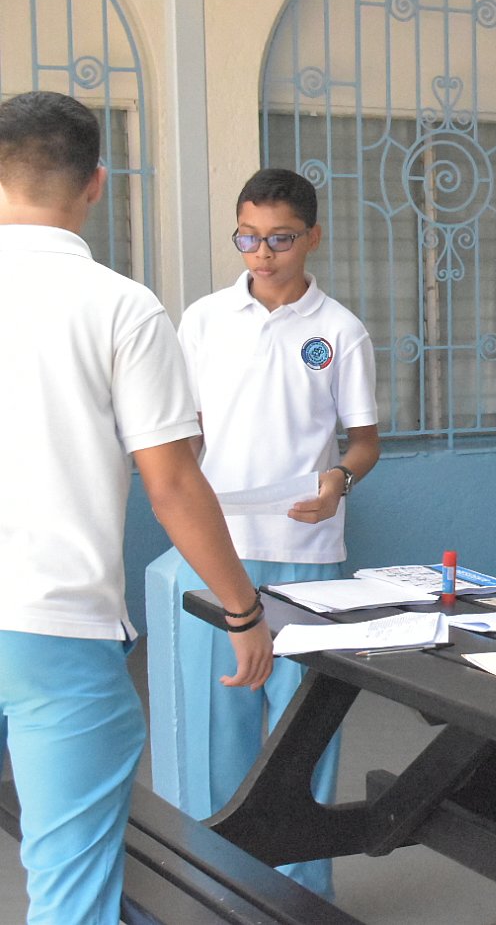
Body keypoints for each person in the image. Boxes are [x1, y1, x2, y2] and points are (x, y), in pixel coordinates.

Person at [0, 90, 272, 924]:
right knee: (70, 889)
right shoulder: (119, 305)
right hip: (54, 626)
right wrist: (242, 608)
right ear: (97, 182)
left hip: (48, 627)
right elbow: (173, 482)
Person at [145, 167, 379, 897]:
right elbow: (183, 430)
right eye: (247, 238)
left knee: (302, 737)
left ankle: (301, 895)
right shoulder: (204, 319)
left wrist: (338, 481)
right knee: (216, 729)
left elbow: (364, 442)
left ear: (313, 237)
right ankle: (217, 888)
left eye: (280, 239)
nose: (262, 254)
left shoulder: (340, 331)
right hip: (215, 554)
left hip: (308, 559)